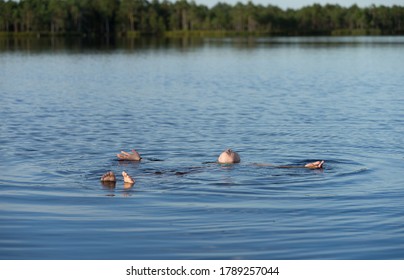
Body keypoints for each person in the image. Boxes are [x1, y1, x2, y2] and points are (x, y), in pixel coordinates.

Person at [100, 148, 324, 184]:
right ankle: (128, 182)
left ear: (238, 160)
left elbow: (278, 168)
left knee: (170, 175)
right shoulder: (204, 165)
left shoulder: (251, 166)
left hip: (186, 175)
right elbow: (167, 164)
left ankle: (129, 185)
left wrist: (306, 167)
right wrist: (139, 161)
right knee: (168, 173)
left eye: (232, 150)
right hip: (185, 173)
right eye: (226, 149)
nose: (228, 149)